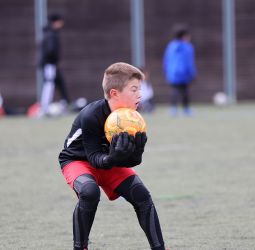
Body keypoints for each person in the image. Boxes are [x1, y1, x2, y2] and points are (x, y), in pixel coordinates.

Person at [58, 62, 166, 250]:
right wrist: (113, 158)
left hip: (108, 162)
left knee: (142, 196)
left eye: (139, 89)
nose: (140, 94)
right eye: (134, 89)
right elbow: (93, 157)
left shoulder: (132, 119)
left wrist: (137, 152)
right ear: (114, 93)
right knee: (90, 192)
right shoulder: (91, 115)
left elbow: (133, 161)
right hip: (78, 161)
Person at [39, 13, 70, 117]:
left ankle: (63, 104)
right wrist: (52, 60)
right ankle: (45, 108)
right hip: (50, 65)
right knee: (49, 85)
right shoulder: (51, 34)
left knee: (57, 84)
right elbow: (50, 50)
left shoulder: (49, 33)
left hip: (51, 64)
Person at [163, 24, 197, 117]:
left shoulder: (171, 46)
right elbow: (189, 62)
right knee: (185, 91)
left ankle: (173, 109)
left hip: (172, 73)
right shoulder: (188, 47)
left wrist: (166, 71)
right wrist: (193, 73)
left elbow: (166, 60)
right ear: (184, 36)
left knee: (174, 90)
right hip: (184, 73)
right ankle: (186, 110)